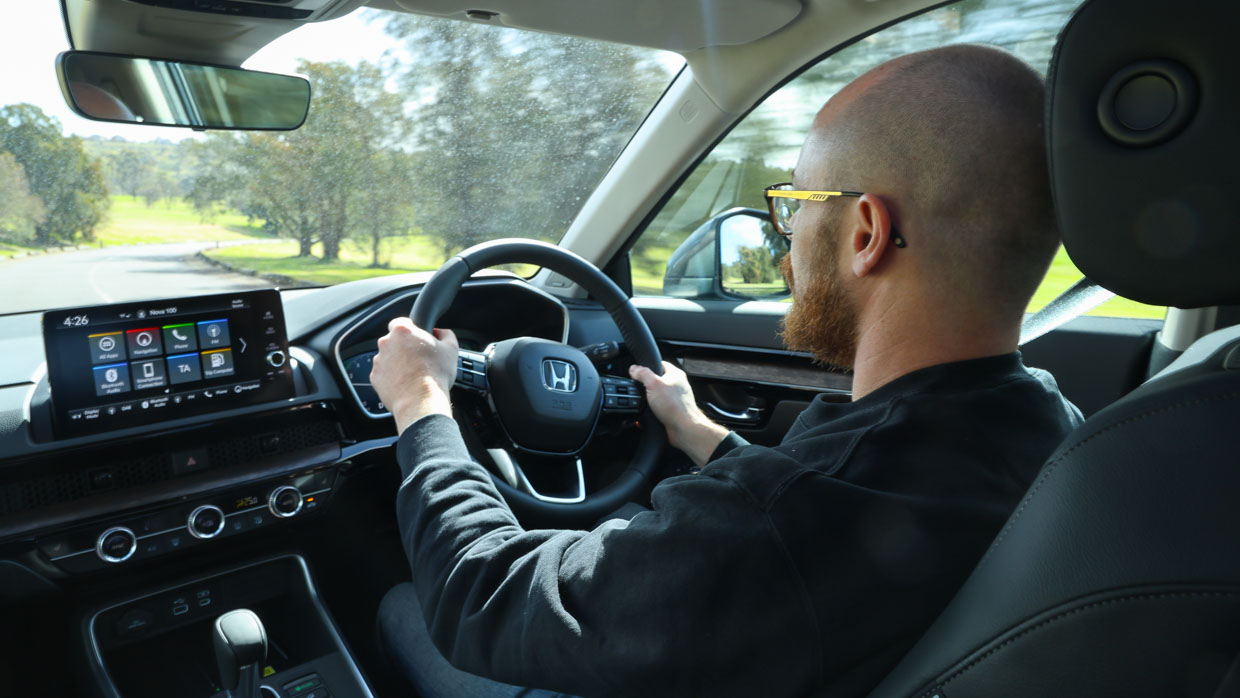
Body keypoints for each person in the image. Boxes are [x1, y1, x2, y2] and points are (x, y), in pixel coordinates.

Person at [372, 44, 1083, 697]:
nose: (785, 244)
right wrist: (699, 433)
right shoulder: (1053, 427)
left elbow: (479, 597)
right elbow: (830, 515)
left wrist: (422, 400)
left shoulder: (784, 524)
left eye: (794, 205)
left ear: (865, 234)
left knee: (403, 606)